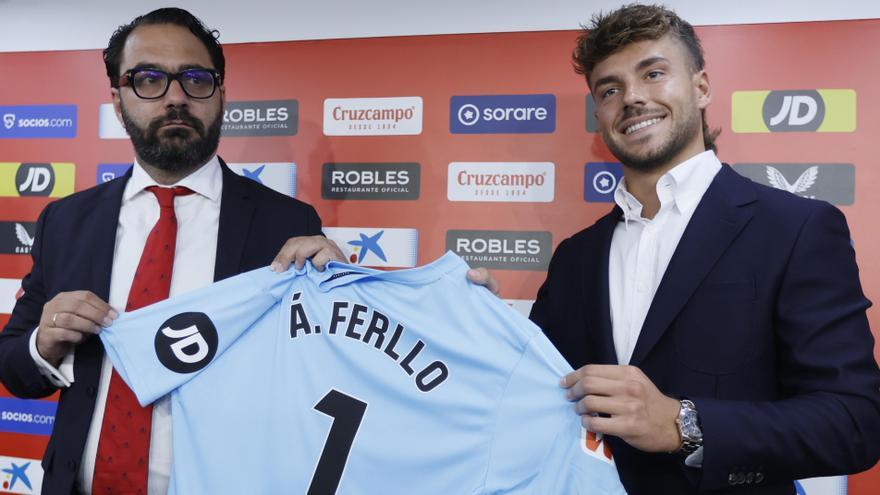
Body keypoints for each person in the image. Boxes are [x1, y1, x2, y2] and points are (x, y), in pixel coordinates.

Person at [529, 4, 880, 494]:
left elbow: (853, 422)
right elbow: (531, 393)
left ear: (701, 88)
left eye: (653, 73)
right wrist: (470, 311)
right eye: (609, 89)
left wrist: (682, 424)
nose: (632, 98)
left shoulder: (796, 228)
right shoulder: (575, 257)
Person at [0, 8, 350, 494]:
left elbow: (323, 379)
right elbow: (14, 368)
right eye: (148, 79)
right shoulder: (65, 221)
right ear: (118, 101)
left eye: (195, 79)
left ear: (221, 94)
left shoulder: (288, 225)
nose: (176, 98)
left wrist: (342, 298)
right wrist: (45, 341)